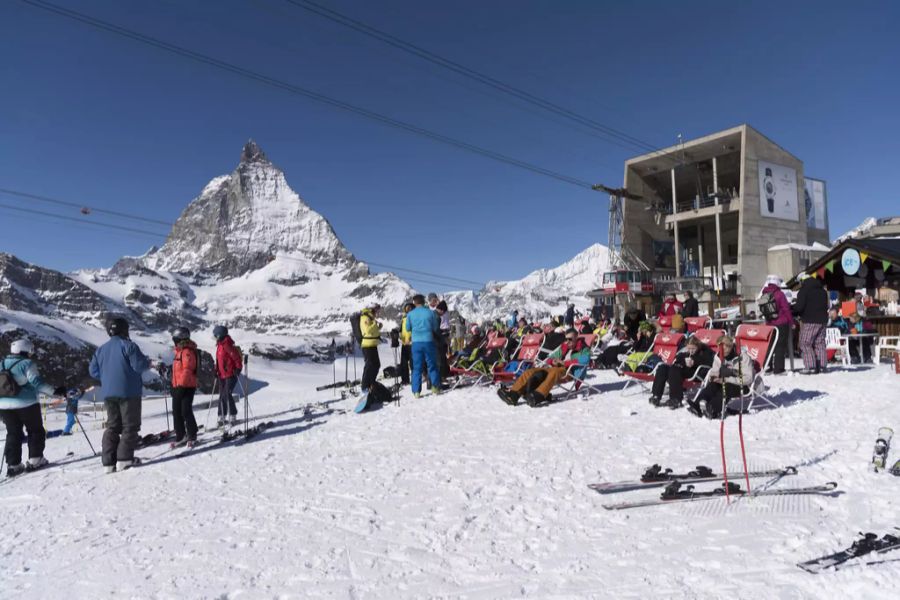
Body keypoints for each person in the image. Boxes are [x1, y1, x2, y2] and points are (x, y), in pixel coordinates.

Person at [89, 318, 151, 473]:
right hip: (129, 392)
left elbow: (93, 371)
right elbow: (140, 366)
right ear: (124, 329)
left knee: (112, 426)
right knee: (130, 426)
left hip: (109, 394)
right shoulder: (129, 346)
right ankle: (124, 460)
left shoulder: (100, 350)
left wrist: (108, 375)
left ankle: (108, 463)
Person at [0, 338, 65, 476]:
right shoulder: (27, 363)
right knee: (35, 430)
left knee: (13, 433)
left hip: (4, 405)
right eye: (30, 351)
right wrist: (55, 392)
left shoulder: (2, 363)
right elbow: (37, 383)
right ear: (24, 350)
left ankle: (13, 465)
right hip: (26, 403)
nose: (31, 354)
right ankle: (35, 459)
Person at [497, 328, 590, 407]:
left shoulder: (584, 348)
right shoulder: (564, 346)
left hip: (569, 372)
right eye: (566, 339)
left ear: (576, 338)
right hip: (555, 368)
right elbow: (551, 356)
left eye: (570, 339)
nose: (567, 341)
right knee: (530, 371)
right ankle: (513, 395)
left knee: (554, 371)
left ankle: (538, 395)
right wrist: (552, 360)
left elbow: (585, 360)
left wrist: (564, 363)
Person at [687, 335, 754, 419]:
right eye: (720, 347)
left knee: (727, 386)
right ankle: (697, 405)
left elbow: (749, 378)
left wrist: (727, 379)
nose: (722, 350)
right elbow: (714, 370)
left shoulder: (743, 357)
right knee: (713, 384)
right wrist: (714, 376)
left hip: (742, 385)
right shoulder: (718, 356)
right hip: (724, 380)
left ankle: (713, 409)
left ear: (730, 346)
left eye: (724, 348)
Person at [649, 336, 715, 409]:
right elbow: (678, 359)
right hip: (683, 370)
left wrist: (694, 362)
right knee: (662, 367)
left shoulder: (705, 351)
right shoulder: (685, 350)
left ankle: (676, 399)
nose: (691, 351)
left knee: (675, 369)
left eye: (693, 348)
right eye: (689, 348)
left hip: (697, 372)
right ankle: (656, 395)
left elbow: (709, 362)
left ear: (698, 346)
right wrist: (684, 361)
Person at [406, 294, 441, 397]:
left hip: (416, 342)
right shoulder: (430, 313)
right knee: (432, 364)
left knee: (417, 367)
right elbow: (435, 327)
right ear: (424, 302)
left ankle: (416, 392)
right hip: (428, 341)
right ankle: (435, 387)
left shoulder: (410, 314)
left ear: (414, 302)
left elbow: (408, 328)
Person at [792, 273, 828, 374]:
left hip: (810, 320)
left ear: (802, 281)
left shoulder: (804, 291)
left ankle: (810, 366)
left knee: (805, 343)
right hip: (823, 321)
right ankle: (822, 366)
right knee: (820, 343)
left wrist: (791, 309)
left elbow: (799, 307)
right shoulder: (823, 291)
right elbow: (827, 305)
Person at [170, 327, 200, 447]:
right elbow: (177, 371)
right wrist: (174, 385)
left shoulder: (187, 351)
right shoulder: (179, 351)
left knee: (185, 410)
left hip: (187, 386)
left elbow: (188, 369)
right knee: (176, 411)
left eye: (175, 339)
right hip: (179, 386)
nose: (174, 342)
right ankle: (181, 435)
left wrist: (181, 386)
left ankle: (192, 435)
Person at [759, 275, 792, 374]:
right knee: (780, 346)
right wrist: (791, 321)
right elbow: (786, 309)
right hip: (781, 323)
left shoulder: (764, 293)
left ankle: (767, 367)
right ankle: (779, 369)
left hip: (769, 324)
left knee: (769, 345)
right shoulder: (779, 294)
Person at [213, 325, 243, 427]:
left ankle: (233, 415)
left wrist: (238, 369)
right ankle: (221, 416)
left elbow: (236, 358)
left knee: (226, 394)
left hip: (230, 374)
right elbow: (219, 361)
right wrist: (216, 370)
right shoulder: (220, 345)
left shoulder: (227, 345)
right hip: (222, 375)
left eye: (215, 335)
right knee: (222, 396)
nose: (214, 337)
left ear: (219, 335)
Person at [359, 304, 383, 393]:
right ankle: (365, 386)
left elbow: (372, 332)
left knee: (376, 364)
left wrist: (378, 327)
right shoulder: (365, 317)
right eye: (377, 310)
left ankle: (371, 382)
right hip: (367, 346)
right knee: (369, 366)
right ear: (372, 309)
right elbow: (367, 330)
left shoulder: (371, 318)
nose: (378, 312)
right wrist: (376, 325)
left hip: (372, 345)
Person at [435, 301, 451, 379]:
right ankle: (443, 374)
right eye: (443, 312)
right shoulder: (437, 316)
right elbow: (436, 330)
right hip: (439, 339)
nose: (443, 314)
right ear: (441, 310)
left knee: (442, 357)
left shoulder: (434, 314)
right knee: (441, 357)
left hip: (439, 337)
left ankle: (444, 373)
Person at [398, 302, 414, 385]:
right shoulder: (404, 318)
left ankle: (415, 378)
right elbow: (401, 330)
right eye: (407, 308)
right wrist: (400, 336)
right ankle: (405, 380)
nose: (408, 309)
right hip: (405, 343)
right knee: (403, 363)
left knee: (412, 362)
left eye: (410, 308)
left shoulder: (414, 317)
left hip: (412, 343)